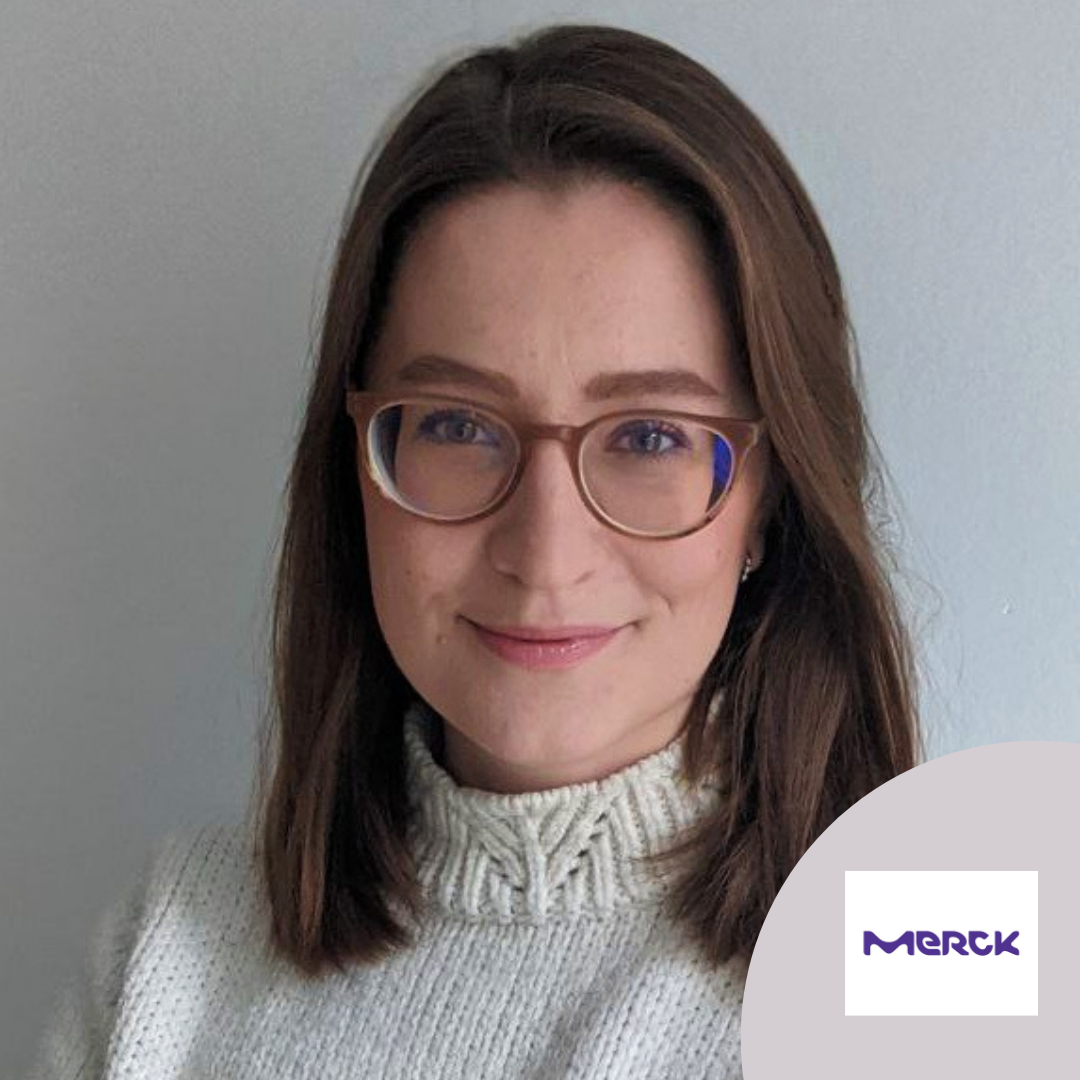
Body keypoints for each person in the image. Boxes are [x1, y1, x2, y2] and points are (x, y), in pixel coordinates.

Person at [28, 22, 918, 1080]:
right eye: (457, 425)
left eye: (648, 437)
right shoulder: (169, 950)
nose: (544, 554)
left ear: (771, 499)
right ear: (359, 470)